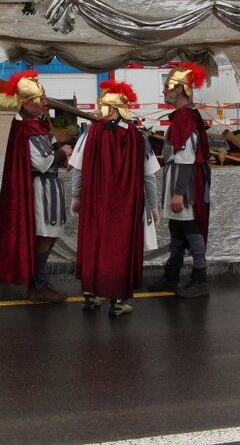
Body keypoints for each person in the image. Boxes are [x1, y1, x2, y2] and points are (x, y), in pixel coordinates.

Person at [70, 80, 160, 317]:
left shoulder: (89, 133)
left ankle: (90, 294)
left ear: (110, 108)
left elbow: (78, 169)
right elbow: (149, 175)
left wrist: (76, 198)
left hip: (95, 202)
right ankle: (118, 300)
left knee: (94, 244)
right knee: (119, 248)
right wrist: (154, 205)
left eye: (101, 106)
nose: (97, 110)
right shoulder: (137, 137)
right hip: (124, 207)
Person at [0, 70, 73, 303]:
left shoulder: (34, 124)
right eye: (40, 100)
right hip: (40, 190)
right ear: (26, 103)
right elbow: (42, 162)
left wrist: (61, 152)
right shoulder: (27, 128)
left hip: (45, 188)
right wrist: (62, 153)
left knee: (49, 235)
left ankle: (38, 283)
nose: (45, 103)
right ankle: (39, 286)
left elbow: (49, 147)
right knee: (45, 234)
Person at [148, 62, 212, 298]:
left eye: (168, 87)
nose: (164, 91)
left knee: (191, 228)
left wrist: (179, 192)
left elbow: (186, 159)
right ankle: (172, 275)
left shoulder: (186, 118)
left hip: (186, 185)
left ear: (180, 89)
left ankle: (200, 279)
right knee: (177, 227)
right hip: (179, 180)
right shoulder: (181, 117)